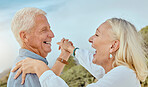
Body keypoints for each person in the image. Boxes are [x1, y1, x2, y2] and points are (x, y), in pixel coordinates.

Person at [12, 18, 148, 87]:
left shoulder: (123, 75)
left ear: (113, 46)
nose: (90, 39)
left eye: (97, 35)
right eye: (44, 30)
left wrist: (40, 67)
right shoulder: (119, 73)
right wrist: (71, 50)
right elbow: (91, 62)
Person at [7, 7, 71, 87]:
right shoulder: (29, 73)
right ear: (25, 36)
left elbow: (49, 80)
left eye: (49, 28)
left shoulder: (31, 64)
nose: (52, 35)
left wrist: (64, 55)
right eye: (44, 30)